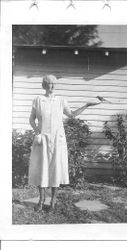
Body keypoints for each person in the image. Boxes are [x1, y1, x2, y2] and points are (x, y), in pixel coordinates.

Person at [28, 74, 100, 212]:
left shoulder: (61, 100)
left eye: (54, 83)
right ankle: (41, 200)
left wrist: (86, 105)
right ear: (44, 85)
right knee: (41, 168)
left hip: (58, 139)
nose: (52, 86)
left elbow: (72, 114)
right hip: (42, 138)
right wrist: (37, 131)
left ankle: (53, 201)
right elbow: (31, 119)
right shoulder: (38, 100)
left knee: (56, 168)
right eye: (49, 83)